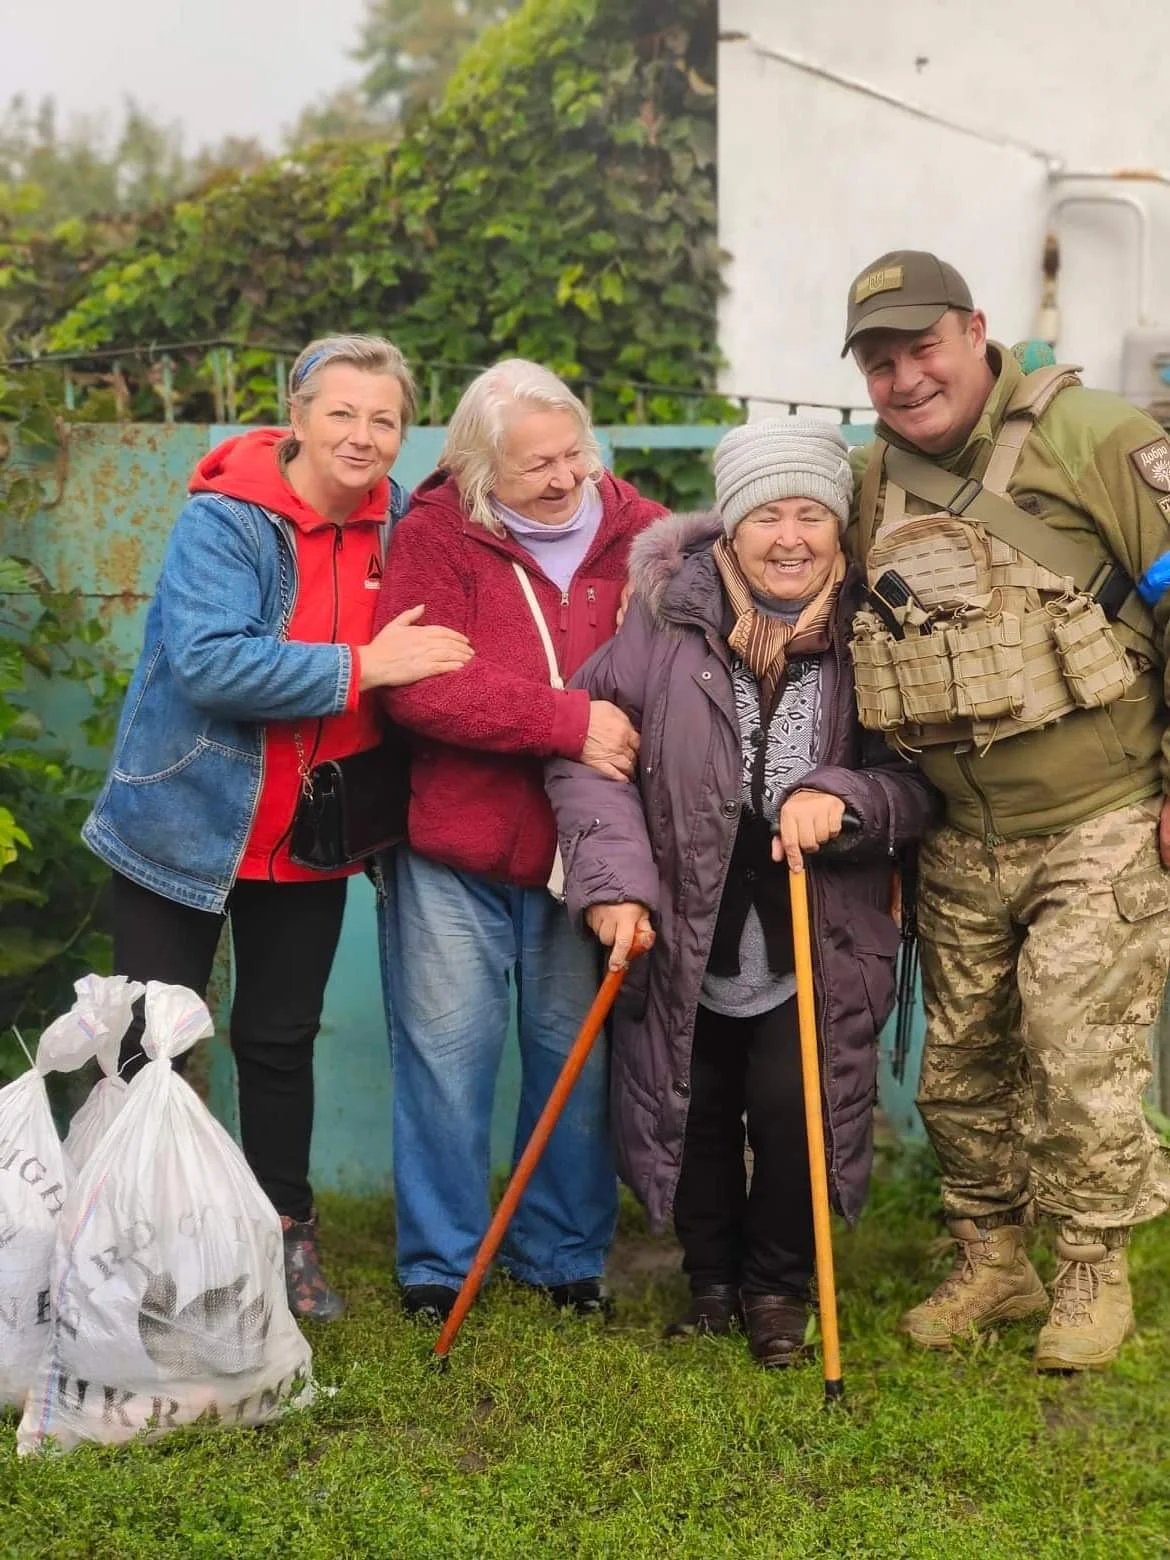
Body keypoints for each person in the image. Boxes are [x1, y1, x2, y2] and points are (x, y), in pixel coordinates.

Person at [83, 334, 473, 1321]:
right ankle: (144, 1238)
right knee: (152, 1042)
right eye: (341, 413)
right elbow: (211, 664)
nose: (363, 436)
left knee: (278, 1038)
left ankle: (280, 1236)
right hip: (186, 819)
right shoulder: (227, 521)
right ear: (295, 414)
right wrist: (360, 668)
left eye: (384, 419)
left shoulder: (404, 528)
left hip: (311, 834)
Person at [545, 419, 937, 1367]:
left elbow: (920, 783)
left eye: (812, 514)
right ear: (731, 528)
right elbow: (588, 760)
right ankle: (710, 1281)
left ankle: (778, 1288)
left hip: (818, 927)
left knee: (796, 1104)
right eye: (768, 515)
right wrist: (613, 888)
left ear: (841, 530)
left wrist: (839, 798)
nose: (790, 536)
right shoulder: (664, 624)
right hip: (682, 918)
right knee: (696, 1101)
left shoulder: (874, 632)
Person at [841, 248, 1170, 1370]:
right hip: (957, 835)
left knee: (1078, 1050)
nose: (904, 378)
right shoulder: (871, 482)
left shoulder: (1097, 437)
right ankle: (994, 1256)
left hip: (1104, 812)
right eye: (879, 362)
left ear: (976, 329)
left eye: (921, 347)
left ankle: (1090, 1269)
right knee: (960, 1066)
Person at [372, 359, 665, 1324]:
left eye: (572, 454)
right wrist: (565, 718)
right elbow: (420, 687)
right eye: (533, 464)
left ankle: (562, 1256)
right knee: (445, 1063)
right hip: (456, 847)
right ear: (477, 467)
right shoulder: (433, 536)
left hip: (585, 854)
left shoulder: (646, 538)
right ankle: (440, 1266)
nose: (560, 478)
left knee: (571, 1065)